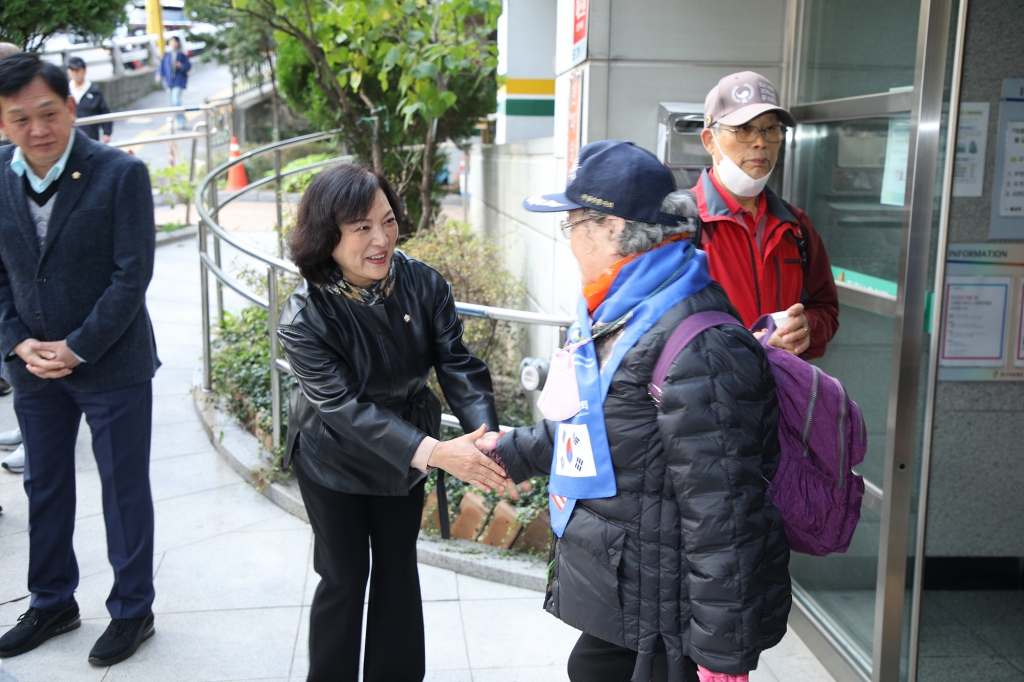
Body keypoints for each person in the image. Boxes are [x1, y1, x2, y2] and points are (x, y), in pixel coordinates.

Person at [481, 140, 791, 682]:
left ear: (610, 228)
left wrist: (723, 659)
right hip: (633, 598)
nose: (570, 241)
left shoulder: (697, 342)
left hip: (669, 625)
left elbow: (726, 512)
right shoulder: (622, 310)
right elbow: (596, 424)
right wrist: (505, 454)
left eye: (573, 224)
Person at [277, 164, 512, 682]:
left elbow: (457, 363)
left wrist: (487, 438)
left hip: (405, 454)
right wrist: (436, 452)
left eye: (387, 221)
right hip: (333, 458)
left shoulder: (423, 282)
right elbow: (342, 408)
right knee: (343, 578)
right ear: (326, 235)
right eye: (361, 228)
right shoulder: (305, 316)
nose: (381, 238)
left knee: (398, 573)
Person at [0, 53, 160, 666]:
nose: (37, 129)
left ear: (70, 106)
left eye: (48, 112)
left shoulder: (120, 174)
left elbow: (131, 277)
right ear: (3, 122)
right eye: (19, 118)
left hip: (111, 363)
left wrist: (77, 347)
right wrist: (17, 342)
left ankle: (132, 610)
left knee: (123, 490)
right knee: (43, 485)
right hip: (31, 366)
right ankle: (51, 601)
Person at [693, 71, 838, 359]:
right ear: (710, 140)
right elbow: (657, 332)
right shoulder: (679, 225)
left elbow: (826, 309)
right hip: (709, 400)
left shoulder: (795, 226)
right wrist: (749, 346)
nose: (761, 142)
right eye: (744, 129)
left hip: (782, 397)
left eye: (771, 129)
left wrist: (806, 328)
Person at [66, 56, 111, 143]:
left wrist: (107, 132)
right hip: (70, 138)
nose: (75, 73)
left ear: (84, 71)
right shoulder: (65, 91)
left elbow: (104, 111)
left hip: (91, 137)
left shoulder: (94, 91)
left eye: (77, 70)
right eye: (72, 70)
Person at [155, 37, 190, 128]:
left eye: (175, 42)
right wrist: (159, 75)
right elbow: (161, 67)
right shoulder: (167, 55)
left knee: (176, 101)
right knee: (172, 103)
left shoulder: (181, 55)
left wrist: (180, 65)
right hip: (169, 81)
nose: (173, 44)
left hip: (178, 80)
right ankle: (179, 120)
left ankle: (182, 121)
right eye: (172, 42)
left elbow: (188, 67)